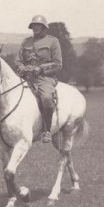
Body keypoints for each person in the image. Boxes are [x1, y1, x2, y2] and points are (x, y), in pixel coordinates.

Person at [15, 15, 62, 143]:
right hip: (27, 77)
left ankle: (46, 130)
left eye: (38, 25)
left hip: (45, 78)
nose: (35, 27)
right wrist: (23, 68)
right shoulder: (26, 42)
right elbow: (18, 61)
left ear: (44, 27)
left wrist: (40, 69)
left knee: (46, 98)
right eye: (33, 25)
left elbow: (58, 64)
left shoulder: (53, 41)